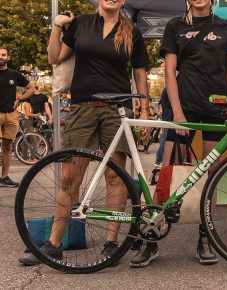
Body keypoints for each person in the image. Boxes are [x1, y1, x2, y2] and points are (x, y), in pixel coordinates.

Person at [19, 0, 150, 266]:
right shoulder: (81, 24)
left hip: (118, 109)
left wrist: (145, 110)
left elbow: (140, 73)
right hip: (82, 106)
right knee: (69, 177)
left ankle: (112, 244)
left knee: (116, 177)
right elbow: (55, 57)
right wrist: (56, 27)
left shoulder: (131, 31)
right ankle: (53, 244)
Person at [130, 0, 227, 267]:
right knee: (166, 172)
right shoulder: (175, 26)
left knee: (210, 175)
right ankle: (151, 238)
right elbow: (169, 73)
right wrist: (179, 114)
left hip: (216, 108)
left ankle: (205, 238)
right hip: (184, 108)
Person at [0, 46, 34, 187]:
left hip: (11, 114)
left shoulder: (14, 74)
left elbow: (31, 88)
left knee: (7, 146)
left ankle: (4, 177)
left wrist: (19, 100)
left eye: (3, 54)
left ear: (8, 57)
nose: (0, 57)